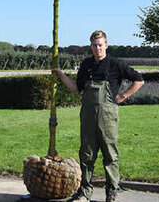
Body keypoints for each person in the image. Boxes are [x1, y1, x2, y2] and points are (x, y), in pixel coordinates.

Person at [53, 30, 144, 202]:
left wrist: (122, 96)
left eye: (100, 45)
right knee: (86, 155)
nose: (98, 48)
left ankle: (112, 192)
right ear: (91, 46)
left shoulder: (115, 64)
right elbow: (76, 88)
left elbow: (139, 80)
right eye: (95, 46)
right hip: (87, 117)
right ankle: (84, 192)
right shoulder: (86, 65)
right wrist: (61, 75)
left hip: (108, 117)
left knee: (110, 154)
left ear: (106, 45)